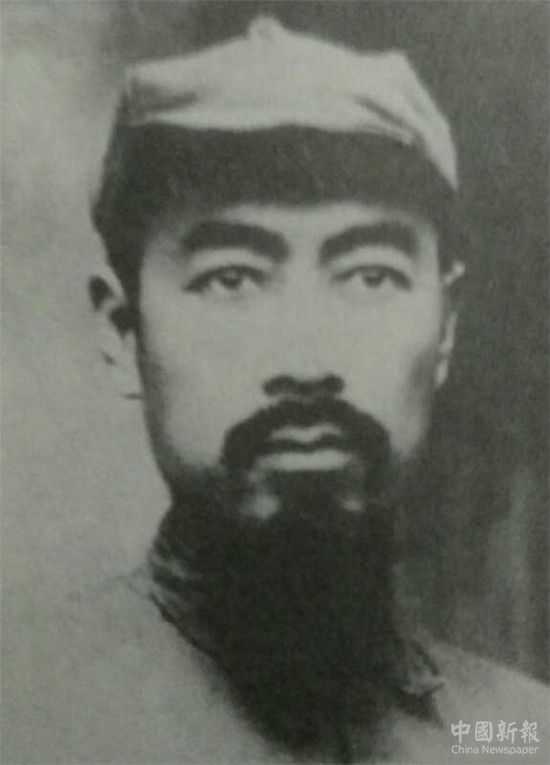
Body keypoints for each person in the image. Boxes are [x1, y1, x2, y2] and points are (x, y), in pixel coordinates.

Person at [16, 16, 549, 765]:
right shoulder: (26, 714)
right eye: (230, 278)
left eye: (370, 275)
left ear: (446, 328)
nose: (307, 359)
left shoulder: (509, 734)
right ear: (123, 331)